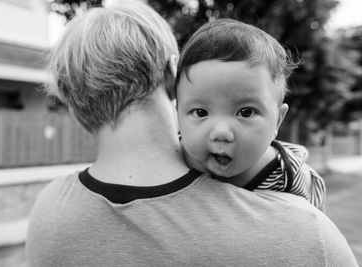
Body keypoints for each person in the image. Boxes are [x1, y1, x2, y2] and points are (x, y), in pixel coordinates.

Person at [26, 1, 358, 266]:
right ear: (173, 73)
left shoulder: (48, 213)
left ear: (72, 101)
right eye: (202, 112)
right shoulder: (305, 231)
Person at [175, 18, 326, 210]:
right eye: (200, 112)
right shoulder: (171, 161)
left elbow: (319, 233)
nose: (221, 132)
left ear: (278, 121)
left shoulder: (291, 177)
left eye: (246, 112)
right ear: (177, 113)